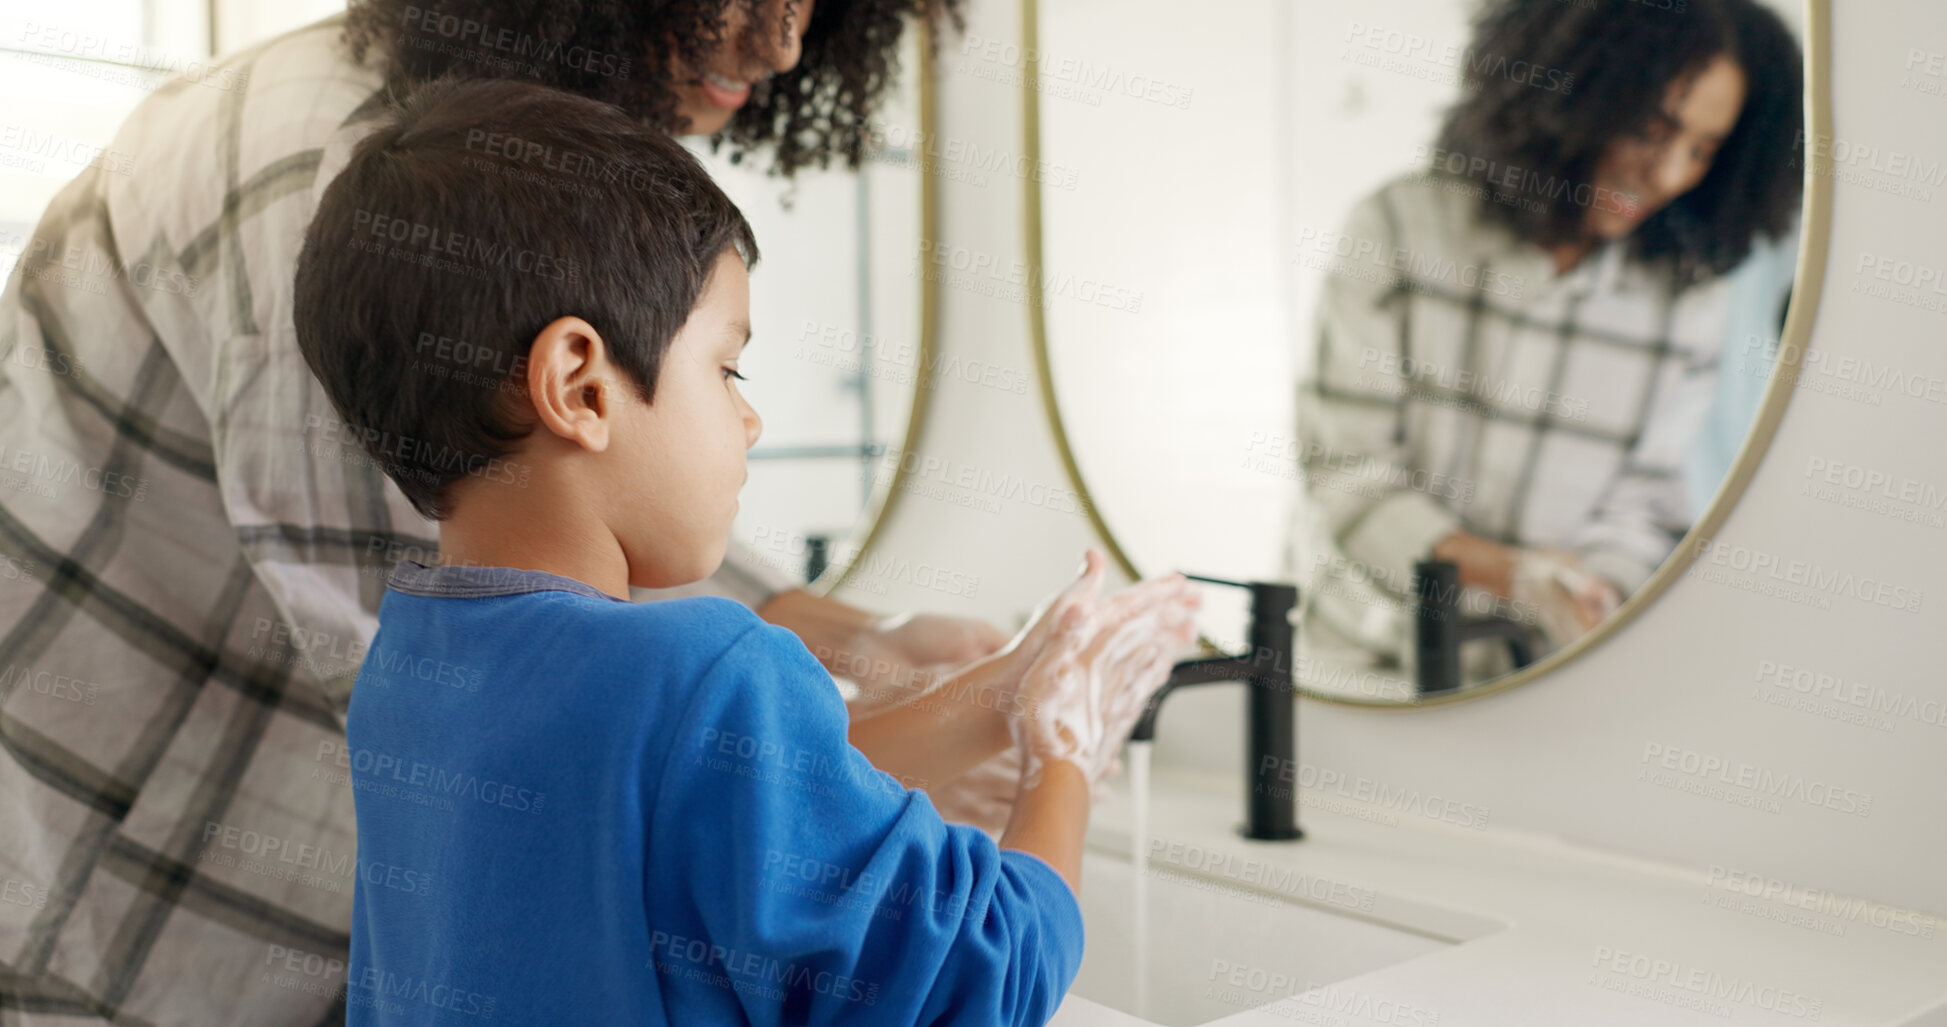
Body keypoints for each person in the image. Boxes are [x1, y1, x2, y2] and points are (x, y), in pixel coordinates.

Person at [0, 1, 1070, 1021]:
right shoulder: (330, 176)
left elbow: (567, 547)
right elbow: (611, 734)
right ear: (577, 380)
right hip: (117, 907)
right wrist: (1049, 738)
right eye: (728, 372)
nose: (786, 42)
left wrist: (869, 645)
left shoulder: (449, 207)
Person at [292, 77, 1197, 1024]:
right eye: (727, 368)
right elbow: (984, 979)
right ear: (581, 387)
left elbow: (718, 801)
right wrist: (1066, 753)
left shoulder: (411, 663)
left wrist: (998, 698)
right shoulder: (706, 662)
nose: (751, 418)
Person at [1292, 0, 1803, 686]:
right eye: (1652, 128)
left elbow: (1641, 509)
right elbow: (1346, 475)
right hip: (1357, 662)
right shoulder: (1398, 227)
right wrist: (1514, 576)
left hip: (1543, 683)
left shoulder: (1688, 301)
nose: (1668, 174)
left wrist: (1590, 594)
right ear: (1572, 91)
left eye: (1703, 150)